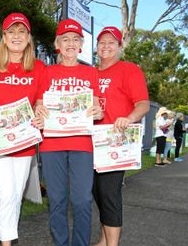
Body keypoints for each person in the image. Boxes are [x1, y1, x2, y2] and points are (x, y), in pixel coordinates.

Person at [0, 12, 45, 246]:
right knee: (5, 194)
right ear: (4, 37)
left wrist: (40, 116)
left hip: (25, 143)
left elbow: (40, 103)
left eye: (22, 31)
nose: (17, 36)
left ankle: (9, 238)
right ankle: (6, 243)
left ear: (28, 37)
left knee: (15, 196)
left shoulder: (39, 68)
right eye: (11, 31)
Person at [33, 18, 103, 246]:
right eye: (65, 39)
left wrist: (97, 111)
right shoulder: (46, 71)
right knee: (57, 199)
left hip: (82, 143)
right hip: (52, 143)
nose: (70, 43)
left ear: (81, 45)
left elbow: (96, 108)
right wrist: (39, 110)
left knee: (82, 199)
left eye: (75, 39)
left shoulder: (91, 73)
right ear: (58, 44)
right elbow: (39, 104)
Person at [93, 26, 150, 246]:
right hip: (91, 141)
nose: (106, 46)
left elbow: (143, 104)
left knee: (109, 194)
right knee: (97, 193)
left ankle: (112, 244)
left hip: (114, 142)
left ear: (119, 46)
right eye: (102, 42)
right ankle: (103, 239)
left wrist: (129, 117)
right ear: (96, 46)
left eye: (111, 42)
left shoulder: (129, 70)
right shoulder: (91, 73)